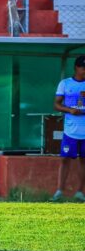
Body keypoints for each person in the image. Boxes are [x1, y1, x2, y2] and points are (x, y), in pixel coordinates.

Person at [52, 56, 85, 202]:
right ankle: (59, 191)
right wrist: (69, 110)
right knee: (65, 159)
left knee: (83, 160)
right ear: (76, 68)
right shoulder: (65, 84)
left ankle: (80, 192)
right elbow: (57, 105)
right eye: (83, 67)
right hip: (70, 131)